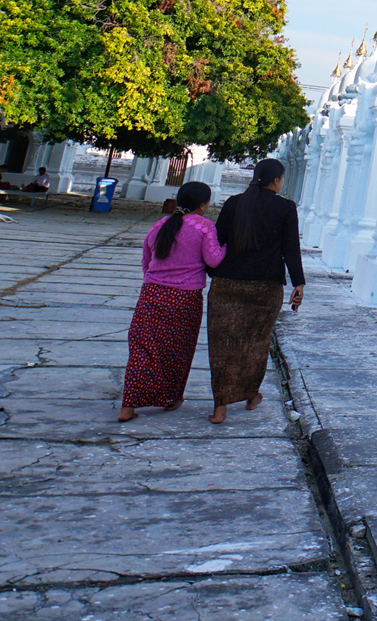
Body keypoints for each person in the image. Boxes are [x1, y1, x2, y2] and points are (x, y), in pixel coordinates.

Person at [206, 158, 303, 424]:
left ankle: (220, 408)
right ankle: (251, 396)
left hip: (227, 283)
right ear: (276, 180)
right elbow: (290, 248)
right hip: (266, 286)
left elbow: (216, 241)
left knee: (223, 347)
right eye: (282, 179)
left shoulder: (234, 203)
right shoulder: (285, 208)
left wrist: (212, 271)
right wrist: (299, 283)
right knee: (255, 345)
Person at [118, 181, 224, 422]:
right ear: (203, 205)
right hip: (185, 299)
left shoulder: (160, 225)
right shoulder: (204, 227)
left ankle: (129, 405)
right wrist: (227, 247)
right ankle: (171, 398)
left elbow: (147, 260)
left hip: (152, 294)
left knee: (142, 349)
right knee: (178, 350)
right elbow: (214, 260)